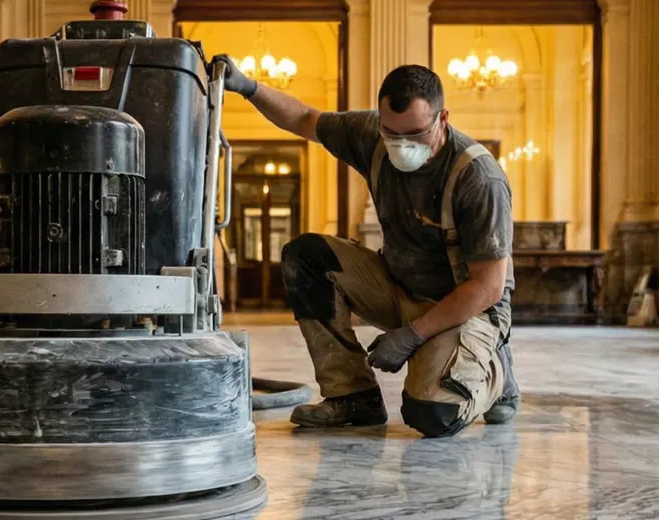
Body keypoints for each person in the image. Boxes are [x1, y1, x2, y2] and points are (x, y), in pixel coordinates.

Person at [213, 58, 518, 438]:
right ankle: (353, 397)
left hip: (466, 307)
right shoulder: (371, 135)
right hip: (399, 287)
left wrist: (411, 335)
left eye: (415, 135)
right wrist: (249, 88)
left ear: (442, 119)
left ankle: (495, 372)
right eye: (392, 134)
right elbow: (306, 119)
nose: (402, 146)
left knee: (432, 414)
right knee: (306, 256)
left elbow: (487, 287)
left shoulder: (478, 177)